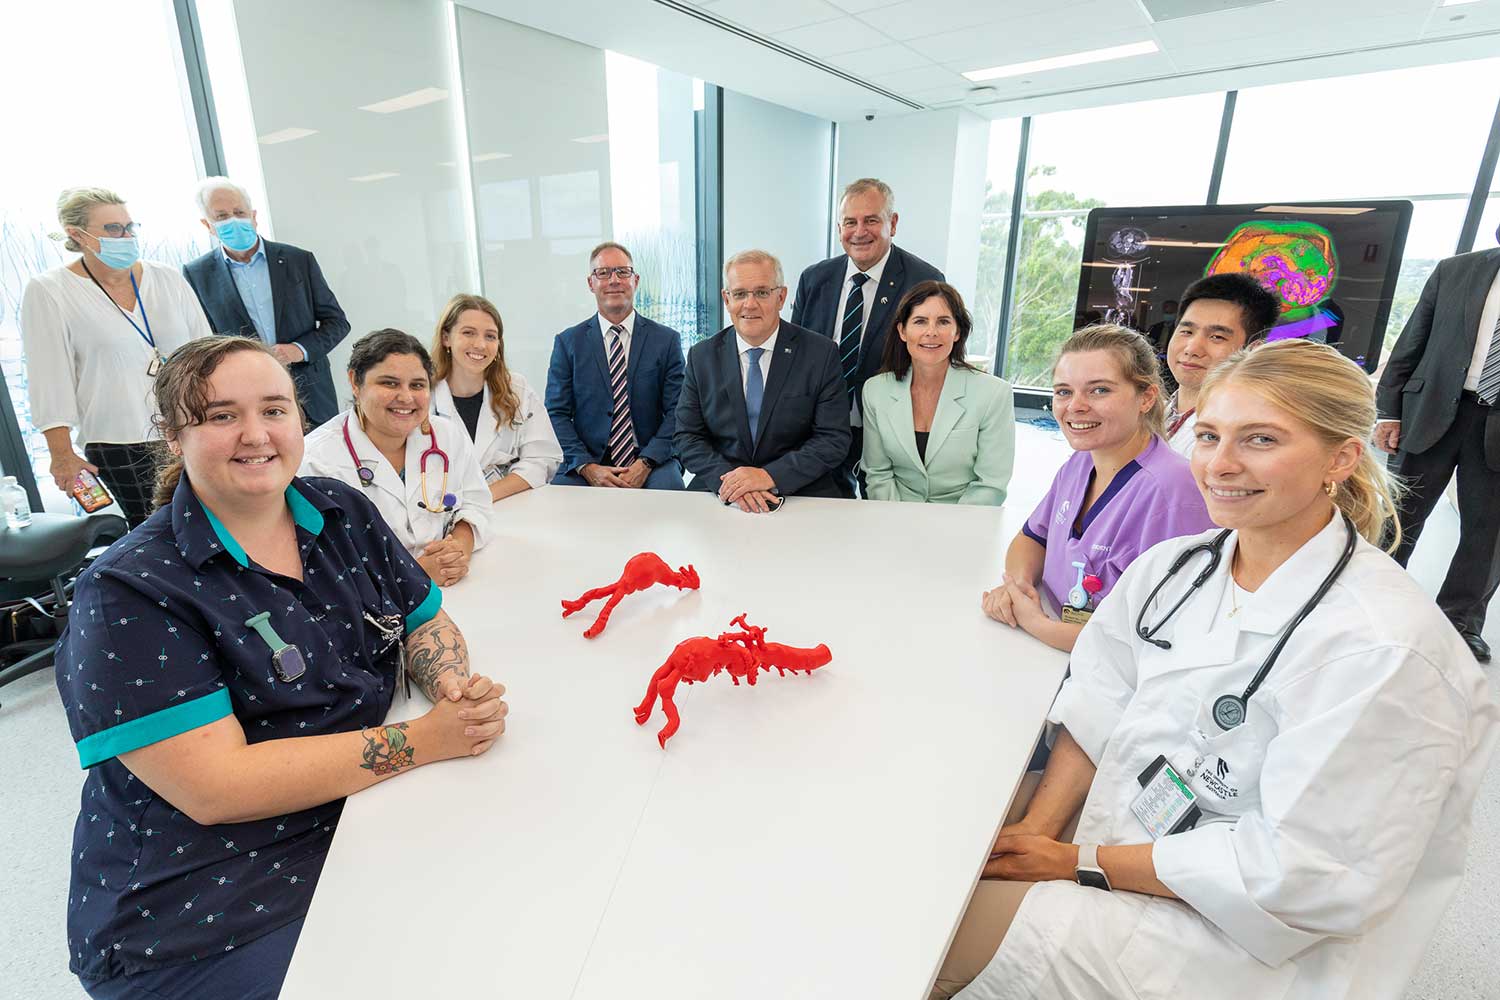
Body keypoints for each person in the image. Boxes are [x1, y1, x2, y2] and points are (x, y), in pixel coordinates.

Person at [933, 339, 1497, 1000]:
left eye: (1259, 439)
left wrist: (1075, 862)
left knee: (923, 939)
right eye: (1208, 435)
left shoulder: (1387, 650)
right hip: (1117, 821)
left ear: (1341, 458)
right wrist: (1039, 830)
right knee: (935, 831)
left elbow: (1301, 875)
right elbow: (1098, 699)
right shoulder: (1176, 566)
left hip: (1226, 928)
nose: (1220, 465)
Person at [55, 336, 507, 1000]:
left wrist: (448, 683)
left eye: (274, 410)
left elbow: (424, 619)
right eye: (220, 416)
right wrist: (424, 740)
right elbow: (217, 785)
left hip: (357, 818)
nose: (255, 434)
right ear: (175, 436)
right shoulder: (128, 590)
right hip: (209, 902)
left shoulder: (342, 511)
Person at [982, 326, 1213, 652]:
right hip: (1047, 648)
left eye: (1099, 390)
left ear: (1146, 397)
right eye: (1064, 391)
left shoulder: (1174, 491)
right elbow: (1032, 538)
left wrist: (1034, 622)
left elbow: (1156, 635)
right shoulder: (1081, 463)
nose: (1075, 406)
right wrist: (1018, 588)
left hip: (1110, 677)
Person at [20, 186, 212, 526]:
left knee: (217, 519)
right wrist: (61, 454)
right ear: (76, 234)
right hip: (120, 440)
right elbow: (50, 378)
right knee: (158, 530)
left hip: (189, 426)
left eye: (129, 227)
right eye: (112, 229)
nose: (125, 236)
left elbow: (206, 352)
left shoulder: (166, 278)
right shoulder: (50, 291)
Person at [1376, 241, 1500, 662]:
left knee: (1489, 530)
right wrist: (1388, 412)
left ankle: (1460, 622)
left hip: (1497, 422)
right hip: (1432, 410)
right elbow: (1412, 342)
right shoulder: (1454, 271)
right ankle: (1373, 596)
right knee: (1401, 512)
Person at [300, 330, 492, 585]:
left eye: (417, 385)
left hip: (454, 585)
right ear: (355, 383)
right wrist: (414, 575)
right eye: (389, 383)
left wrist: (457, 549)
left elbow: (476, 502)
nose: (406, 397)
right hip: (376, 606)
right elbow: (322, 562)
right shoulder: (315, 460)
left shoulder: (446, 435)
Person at [790, 178, 944, 492]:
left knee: (883, 518)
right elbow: (796, 354)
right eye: (850, 222)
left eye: (871, 220)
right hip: (821, 425)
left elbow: (936, 359)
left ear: (893, 223)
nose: (859, 232)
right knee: (825, 513)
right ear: (839, 227)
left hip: (889, 426)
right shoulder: (814, 278)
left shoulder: (924, 280)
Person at [675, 250, 851, 511]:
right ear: (726, 299)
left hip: (799, 488)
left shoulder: (820, 353)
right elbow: (687, 436)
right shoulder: (702, 356)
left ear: (781, 297)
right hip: (722, 487)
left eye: (761, 292)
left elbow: (833, 438)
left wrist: (769, 476)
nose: (750, 304)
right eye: (740, 294)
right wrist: (734, 483)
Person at [182, 177, 351, 427]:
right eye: (222, 216)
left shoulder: (298, 260)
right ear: (207, 225)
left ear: (253, 215)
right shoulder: (197, 274)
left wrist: (298, 350)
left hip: (312, 396)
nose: (233, 221)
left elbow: (337, 323)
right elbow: (205, 340)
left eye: (239, 212)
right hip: (246, 403)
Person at [546, 241, 686, 489]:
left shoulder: (666, 341)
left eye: (623, 272)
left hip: (652, 458)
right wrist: (586, 466)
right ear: (591, 283)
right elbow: (556, 413)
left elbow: (678, 411)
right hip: (588, 460)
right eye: (603, 273)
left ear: (636, 280)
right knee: (561, 501)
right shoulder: (568, 343)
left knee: (670, 494)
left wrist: (646, 462)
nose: (614, 280)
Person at [860, 281, 1015, 505]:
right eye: (920, 321)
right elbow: (878, 474)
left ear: (957, 332)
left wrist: (947, 532)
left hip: (965, 522)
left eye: (943, 322)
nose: (931, 332)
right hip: (895, 518)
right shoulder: (876, 390)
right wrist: (896, 523)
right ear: (902, 331)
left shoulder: (994, 394)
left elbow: (990, 484)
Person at [430, 293, 562, 501]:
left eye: (490, 336)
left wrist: (483, 498)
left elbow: (543, 457)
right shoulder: (424, 396)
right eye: (468, 333)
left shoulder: (516, 389)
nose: (480, 345)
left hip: (506, 506)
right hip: (441, 513)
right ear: (446, 338)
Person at [1162, 273, 1280, 457]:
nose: (1192, 348)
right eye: (1186, 331)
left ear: (1252, 349)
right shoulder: (1153, 412)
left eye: (1217, 337)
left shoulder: (1242, 437)